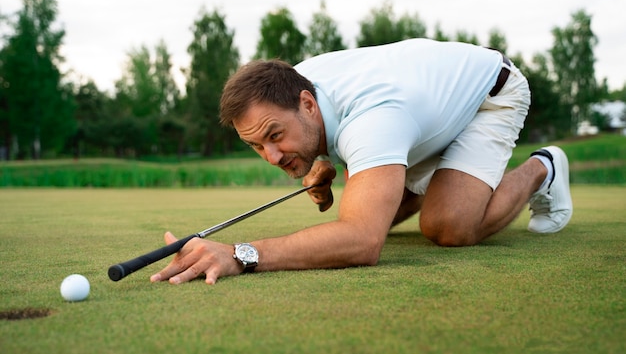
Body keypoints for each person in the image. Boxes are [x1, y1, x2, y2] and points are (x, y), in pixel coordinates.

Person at [150, 38, 573, 285]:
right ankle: (442, 177)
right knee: (382, 204)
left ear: (306, 103)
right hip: (418, 111)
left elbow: (362, 241)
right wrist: (325, 159)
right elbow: (333, 133)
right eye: (257, 146)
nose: (272, 157)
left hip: (488, 94)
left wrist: (240, 254)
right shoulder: (291, 86)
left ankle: (544, 166)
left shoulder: (371, 122)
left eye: (275, 137)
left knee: (447, 226)